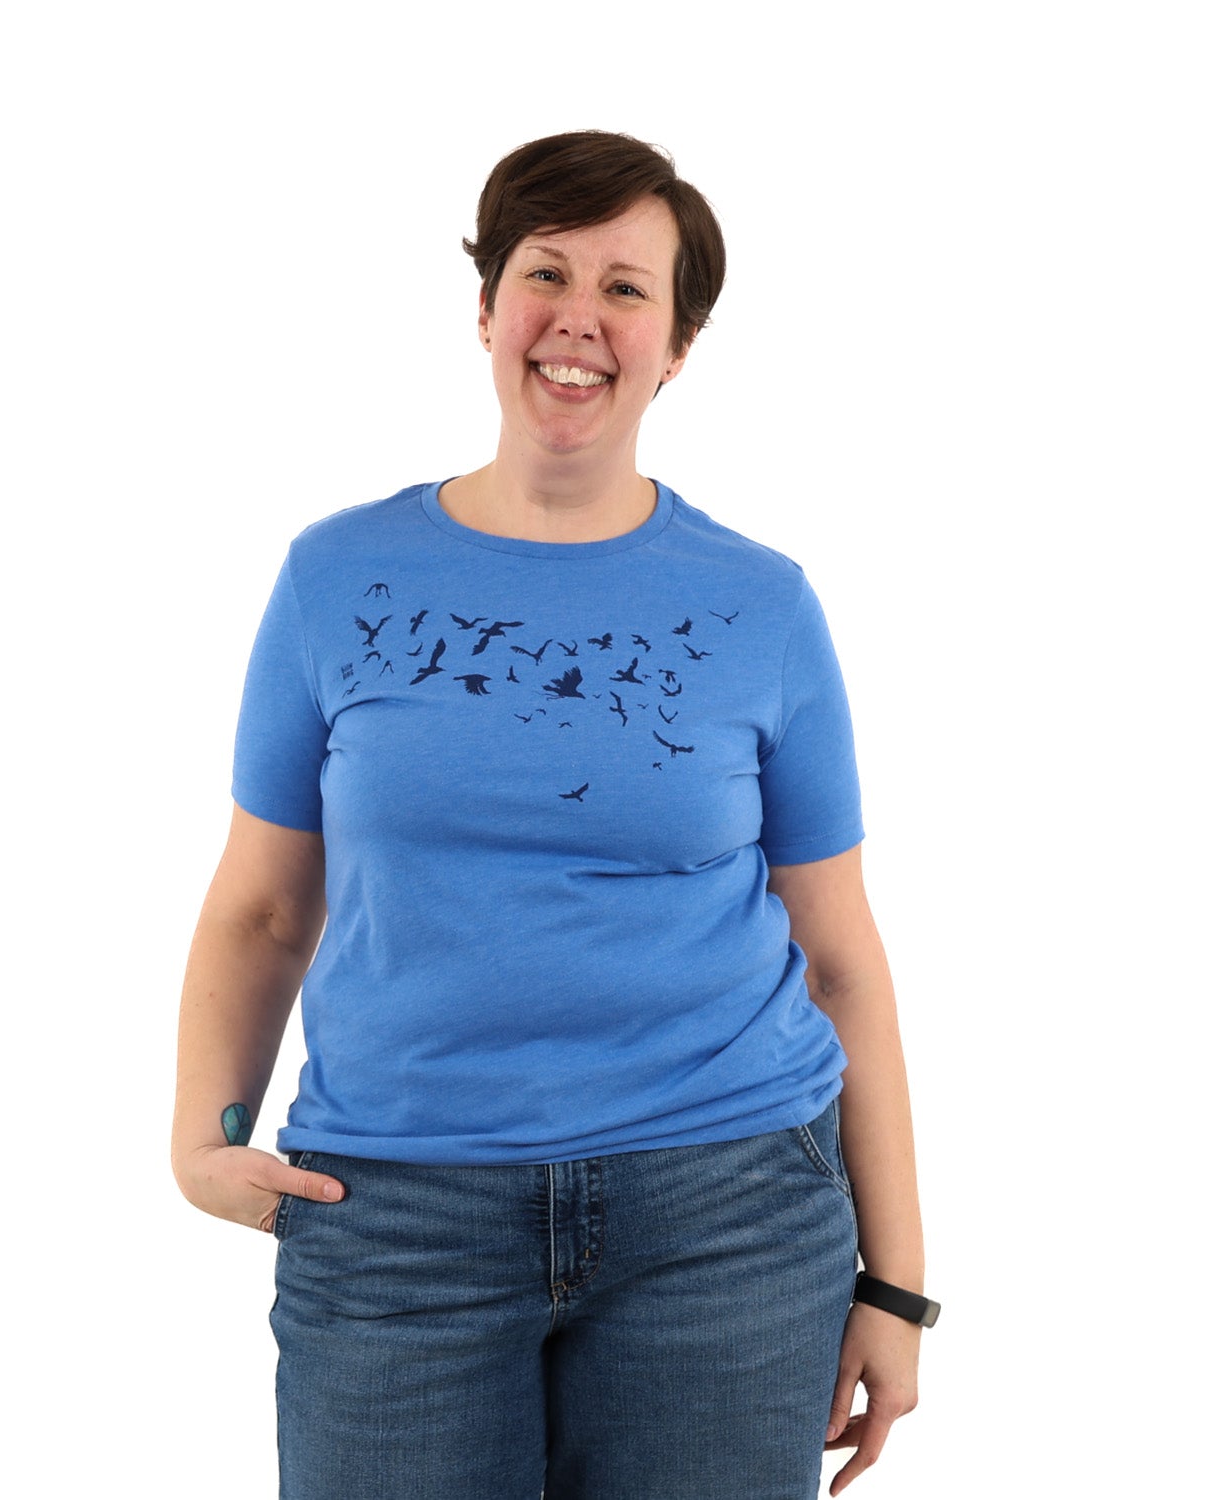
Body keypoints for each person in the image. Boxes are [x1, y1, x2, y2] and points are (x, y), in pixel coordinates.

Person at [171, 130, 932, 1499]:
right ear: (485, 309)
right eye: (547, 272)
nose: (580, 318)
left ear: (677, 347)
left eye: (629, 288)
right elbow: (264, 905)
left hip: (727, 1218)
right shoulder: (334, 578)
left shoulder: (764, 605)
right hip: (397, 1214)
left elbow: (839, 958)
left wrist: (901, 1284)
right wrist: (202, 1136)